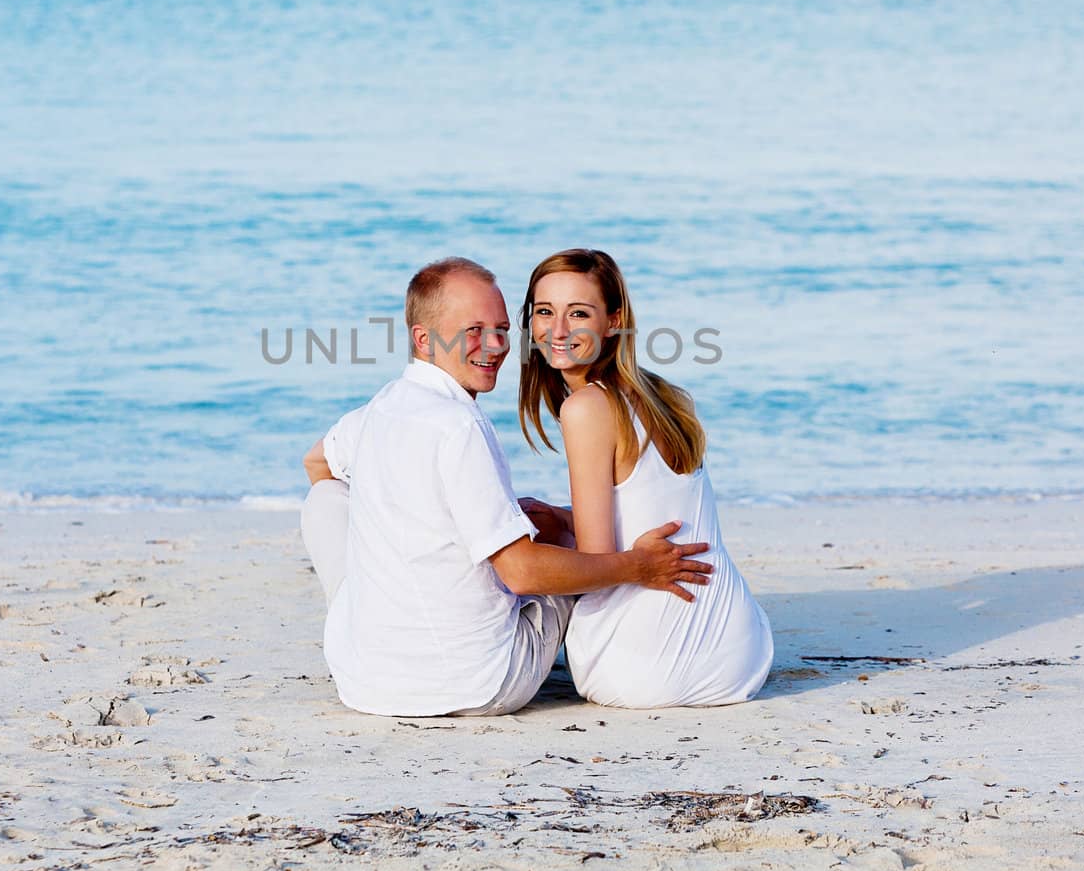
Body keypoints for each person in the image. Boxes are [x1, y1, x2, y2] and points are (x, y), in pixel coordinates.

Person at [300, 256, 714, 717]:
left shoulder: (380, 410)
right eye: (473, 330)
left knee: (326, 499)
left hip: (364, 681)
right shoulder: (459, 426)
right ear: (424, 339)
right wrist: (637, 567)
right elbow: (523, 574)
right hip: (480, 683)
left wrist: (400, 534)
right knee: (558, 542)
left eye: (501, 328)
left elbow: (316, 463)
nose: (495, 345)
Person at [518, 248, 773, 708]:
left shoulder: (585, 408)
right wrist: (564, 515)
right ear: (529, 320)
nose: (556, 331)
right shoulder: (668, 397)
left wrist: (538, 545)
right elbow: (652, 503)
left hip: (642, 671)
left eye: (578, 313)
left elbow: (596, 564)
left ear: (613, 321)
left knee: (526, 559)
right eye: (544, 312)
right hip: (741, 654)